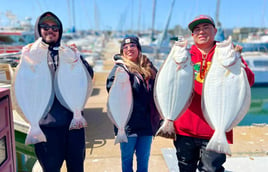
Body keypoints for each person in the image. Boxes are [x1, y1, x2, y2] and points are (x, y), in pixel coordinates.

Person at [172, 15, 255, 172]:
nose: (201, 31)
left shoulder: (227, 52)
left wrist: (238, 59)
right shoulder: (184, 55)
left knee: (212, 169)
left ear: (215, 31)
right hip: (185, 128)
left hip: (216, 129)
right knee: (185, 168)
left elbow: (248, 81)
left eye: (206, 27)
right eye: (197, 29)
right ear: (192, 35)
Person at [27, 11, 93, 172]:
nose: (50, 30)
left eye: (55, 27)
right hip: (46, 128)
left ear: (60, 31)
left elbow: (88, 76)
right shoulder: (31, 55)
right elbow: (24, 87)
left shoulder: (68, 51)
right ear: (38, 29)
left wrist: (78, 57)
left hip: (74, 126)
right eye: (45, 26)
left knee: (77, 168)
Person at [106, 36, 161, 172]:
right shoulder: (119, 69)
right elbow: (110, 88)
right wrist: (119, 79)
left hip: (147, 124)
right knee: (127, 160)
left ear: (138, 49)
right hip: (127, 126)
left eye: (132, 46)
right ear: (122, 52)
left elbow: (159, 87)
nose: (129, 49)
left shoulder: (149, 67)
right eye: (125, 47)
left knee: (143, 160)